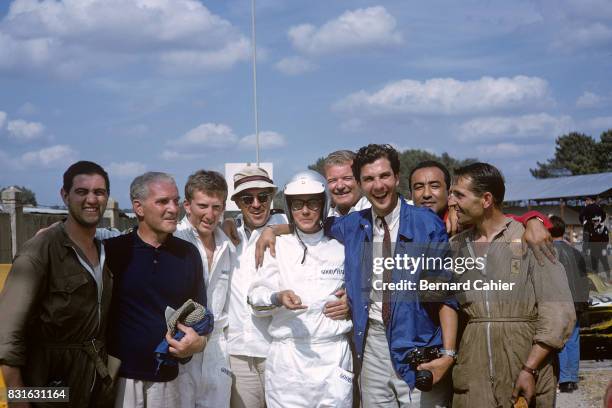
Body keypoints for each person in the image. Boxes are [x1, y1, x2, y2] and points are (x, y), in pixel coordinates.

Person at [259, 145, 459, 407]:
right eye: (369, 179)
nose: (378, 185)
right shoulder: (354, 224)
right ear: (361, 184)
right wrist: (272, 230)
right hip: (372, 343)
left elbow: (445, 295)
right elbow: (313, 224)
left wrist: (448, 353)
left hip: (416, 342)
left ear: (397, 177)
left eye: (384, 176)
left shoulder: (426, 224)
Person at [447, 163, 575, 407]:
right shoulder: (455, 247)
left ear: (486, 199)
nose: (451, 201)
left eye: (459, 195)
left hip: (525, 363)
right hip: (474, 370)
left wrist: (530, 368)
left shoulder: (530, 238)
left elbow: (559, 312)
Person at [225, 165, 349, 408]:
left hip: (332, 355)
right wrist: (277, 297)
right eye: (297, 205)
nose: (305, 211)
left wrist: (352, 302)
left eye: (313, 203)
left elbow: (365, 285)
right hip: (285, 356)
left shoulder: (340, 245)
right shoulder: (270, 243)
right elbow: (257, 295)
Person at [0, 161, 115, 407]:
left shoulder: (105, 252)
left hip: (93, 383)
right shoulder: (40, 251)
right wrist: (18, 399)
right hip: (49, 386)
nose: (91, 200)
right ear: (65, 195)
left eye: (99, 192)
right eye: (82, 192)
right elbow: (7, 336)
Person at [105, 172, 210, 408]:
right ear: (138, 208)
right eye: (163, 201)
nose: (173, 208)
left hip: (169, 379)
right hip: (121, 378)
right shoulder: (112, 252)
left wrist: (197, 343)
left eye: (175, 200)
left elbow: (200, 315)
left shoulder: (188, 254)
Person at [408, 160, 557, 263]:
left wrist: (534, 220)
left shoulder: (462, 221)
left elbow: (502, 221)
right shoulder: (401, 226)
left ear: (448, 192)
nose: (426, 193)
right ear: (410, 193)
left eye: (434, 186)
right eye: (418, 187)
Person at [174, 170, 235, 407]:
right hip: (181, 346)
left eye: (216, 207)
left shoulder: (230, 243)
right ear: (187, 205)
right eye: (203, 206)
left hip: (218, 348)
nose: (210, 214)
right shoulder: (173, 239)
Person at [550, 215, 590, 393]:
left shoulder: (549, 253)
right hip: (577, 303)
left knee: (561, 340)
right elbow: (584, 280)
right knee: (573, 339)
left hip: (559, 303)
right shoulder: (576, 252)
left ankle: (564, 379)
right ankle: (572, 377)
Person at [324, 150, 370, 216]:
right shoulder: (325, 220)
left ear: (360, 180)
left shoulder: (376, 213)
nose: (340, 186)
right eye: (333, 180)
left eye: (347, 178)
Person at [580, 198, 610, 279]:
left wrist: (584, 222)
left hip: (599, 246)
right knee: (596, 262)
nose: (586, 202)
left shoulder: (587, 208)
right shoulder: (598, 207)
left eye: (587, 200)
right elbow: (603, 215)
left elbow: (581, 216)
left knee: (602, 262)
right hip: (594, 246)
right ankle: (599, 277)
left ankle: (608, 277)